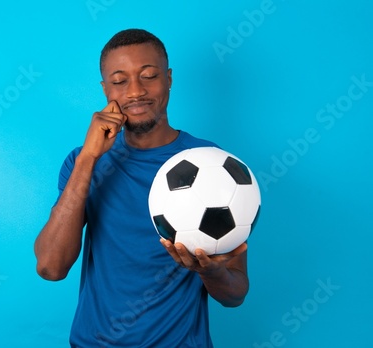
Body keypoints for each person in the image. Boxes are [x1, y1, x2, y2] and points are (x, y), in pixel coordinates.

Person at [34, 28, 249, 347]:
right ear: (105, 89)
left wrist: (210, 272)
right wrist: (89, 158)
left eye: (149, 75)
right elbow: (51, 267)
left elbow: (235, 295)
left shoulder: (213, 165)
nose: (135, 91)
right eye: (120, 81)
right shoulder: (83, 162)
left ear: (169, 78)